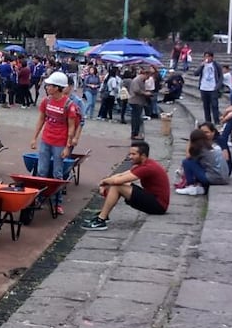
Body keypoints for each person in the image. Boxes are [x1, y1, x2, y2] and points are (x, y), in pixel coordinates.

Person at [81, 141, 170, 230]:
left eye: (133, 154)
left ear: (142, 155)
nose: (130, 157)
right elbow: (121, 175)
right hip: (152, 198)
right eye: (130, 154)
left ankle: (100, 220)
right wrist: (106, 183)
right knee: (115, 184)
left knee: (117, 186)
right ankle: (104, 214)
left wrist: (103, 182)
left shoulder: (147, 168)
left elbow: (117, 180)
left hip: (158, 206)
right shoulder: (144, 163)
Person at [30, 71, 81, 216]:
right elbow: (41, 120)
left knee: (57, 174)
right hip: (46, 140)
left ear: (58, 87)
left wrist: (67, 146)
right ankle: (40, 198)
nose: (47, 87)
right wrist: (34, 138)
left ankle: (57, 202)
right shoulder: (46, 101)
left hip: (60, 142)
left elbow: (72, 127)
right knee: (41, 171)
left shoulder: (69, 105)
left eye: (49, 85)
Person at [176, 128, 230, 196]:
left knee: (187, 162)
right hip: (224, 178)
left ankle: (191, 186)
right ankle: (200, 187)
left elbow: (188, 157)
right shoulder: (212, 147)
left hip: (213, 178)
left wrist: (189, 142)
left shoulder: (201, 150)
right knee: (196, 162)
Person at [196, 52, 222, 125]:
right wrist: (201, 66)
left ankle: (216, 121)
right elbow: (196, 73)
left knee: (214, 105)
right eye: (205, 56)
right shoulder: (203, 65)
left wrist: (217, 86)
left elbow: (220, 77)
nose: (206, 58)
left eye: (208, 56)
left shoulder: (216, 65)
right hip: (203, 88)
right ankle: (208, 122)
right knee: (206, 106)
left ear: (212, 57)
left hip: (213, 89)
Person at [127, 66, 151, 141]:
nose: (148, 78)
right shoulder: (137, 80)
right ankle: (135, 134)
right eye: (148, 76)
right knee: (136, 118)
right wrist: (145, 93)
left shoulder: (141, 81)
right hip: (136, 101)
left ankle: (135, 133)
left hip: (138, 101)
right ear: (145, 74)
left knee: (136, 118)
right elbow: (136, 90)